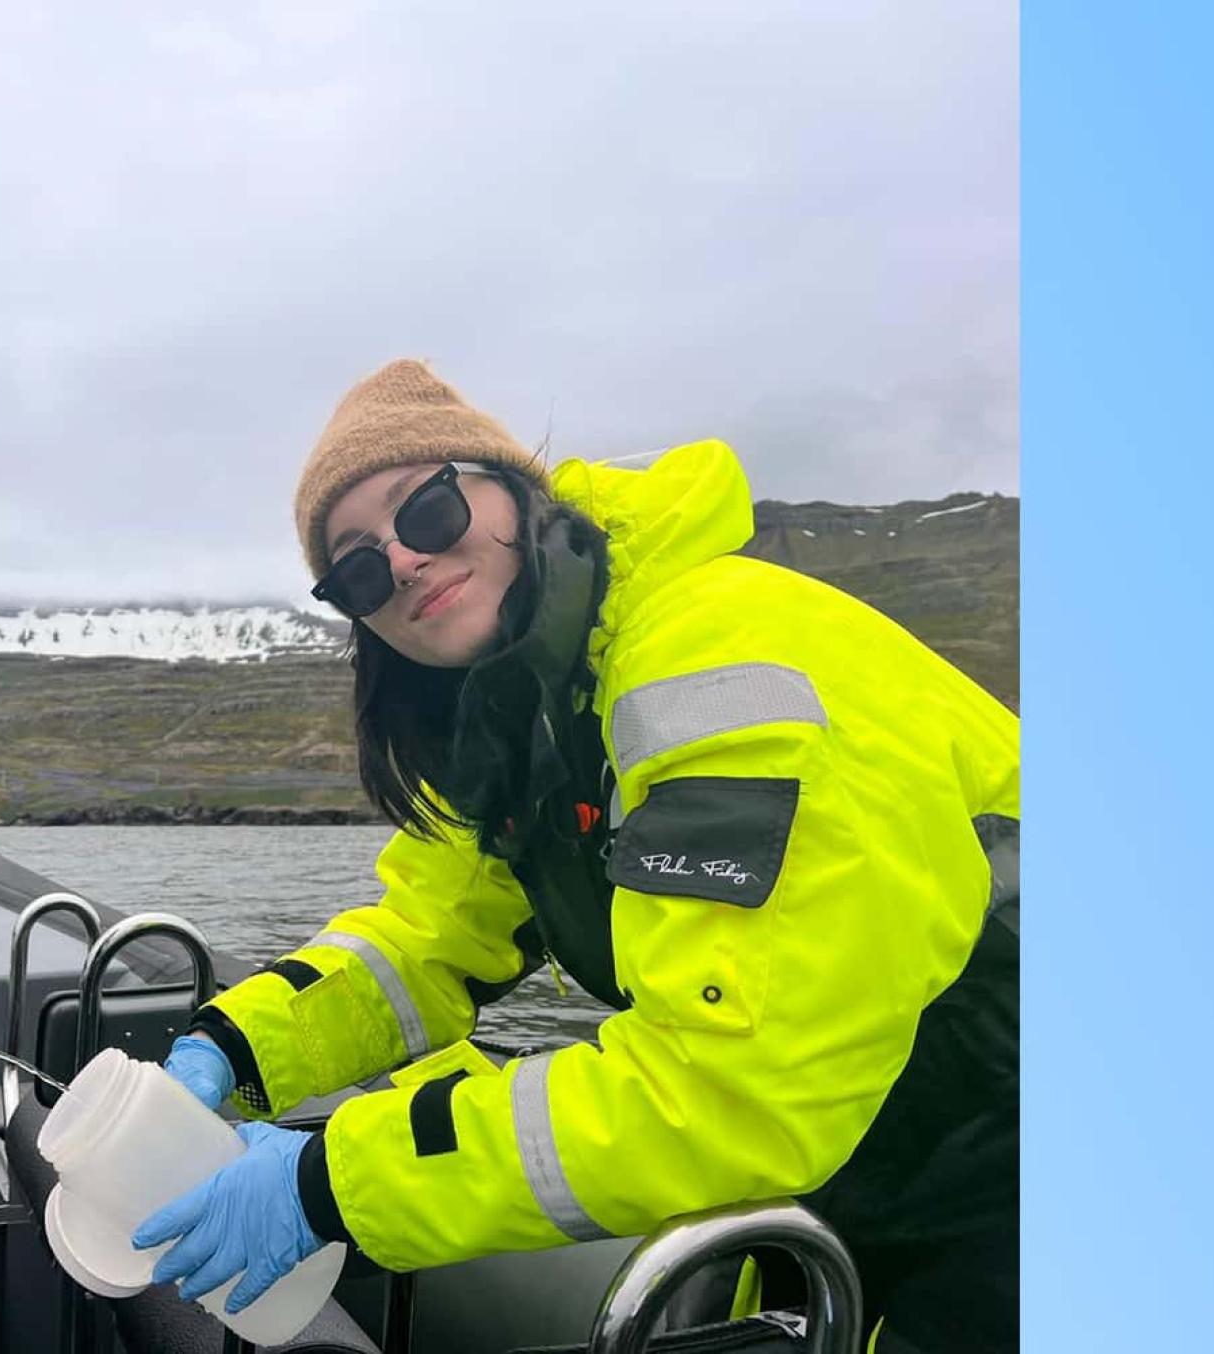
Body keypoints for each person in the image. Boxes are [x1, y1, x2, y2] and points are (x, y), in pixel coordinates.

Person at [133, 359, 1018, 1350]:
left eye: (423, 511)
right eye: (359, 571)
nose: (405, 564)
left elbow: (729, 1086)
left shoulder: (713, 662)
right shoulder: (530, 710)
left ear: (511, 485)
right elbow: (423, 944)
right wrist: (229, 1049)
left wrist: (329, 1182)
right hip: (875, 1155)